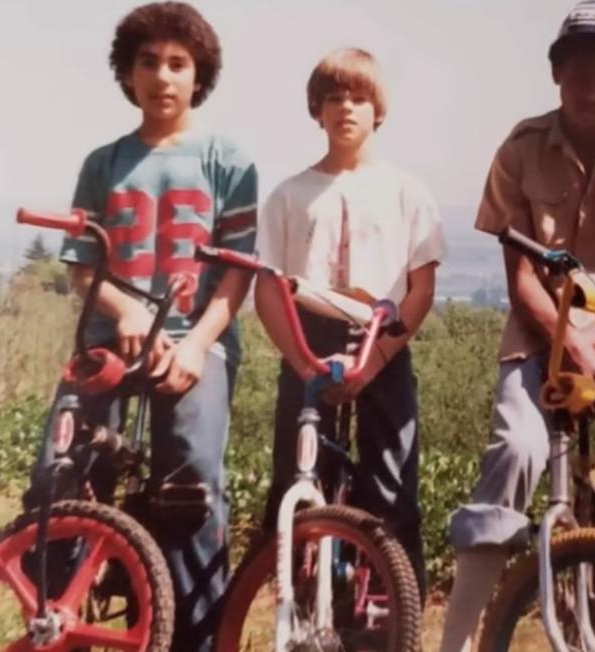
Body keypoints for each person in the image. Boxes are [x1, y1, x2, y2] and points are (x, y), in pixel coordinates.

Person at [440, 1, 595, 649]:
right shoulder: (519, 149)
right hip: (540, 330)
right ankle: (458, 637)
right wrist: (568, 337)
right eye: (579, 75)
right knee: (516, 450)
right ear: (556, 74)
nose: (591, 91)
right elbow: (520, 276)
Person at [48, 2, 258, 648]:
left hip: (196, 348)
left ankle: (193, 635)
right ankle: (58, 619)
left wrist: (197, 343)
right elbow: (84, 271)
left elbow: (238, 275)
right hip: (106, 344)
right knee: (58, 472)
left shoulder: (229, 160)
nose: (162, 77)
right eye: (148, 62)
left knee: (189, 485)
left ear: (200, 75)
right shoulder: (102, 163)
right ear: (127, 73)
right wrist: (128, 309)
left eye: (178, 64)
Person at [254, 47, 445, 601]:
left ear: (378, 109)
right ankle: (299, 609)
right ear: (317, 109)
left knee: (390, 481)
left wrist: (380, 359)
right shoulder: (290, 194)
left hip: (380, 343)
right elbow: (268, 286)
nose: (346, 109)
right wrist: (299, 361)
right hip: (307, 344)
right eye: (334, 97)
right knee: (298, 477)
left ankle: (391, 611)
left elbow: (421, 288)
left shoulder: (407, 191)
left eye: (359, 98)